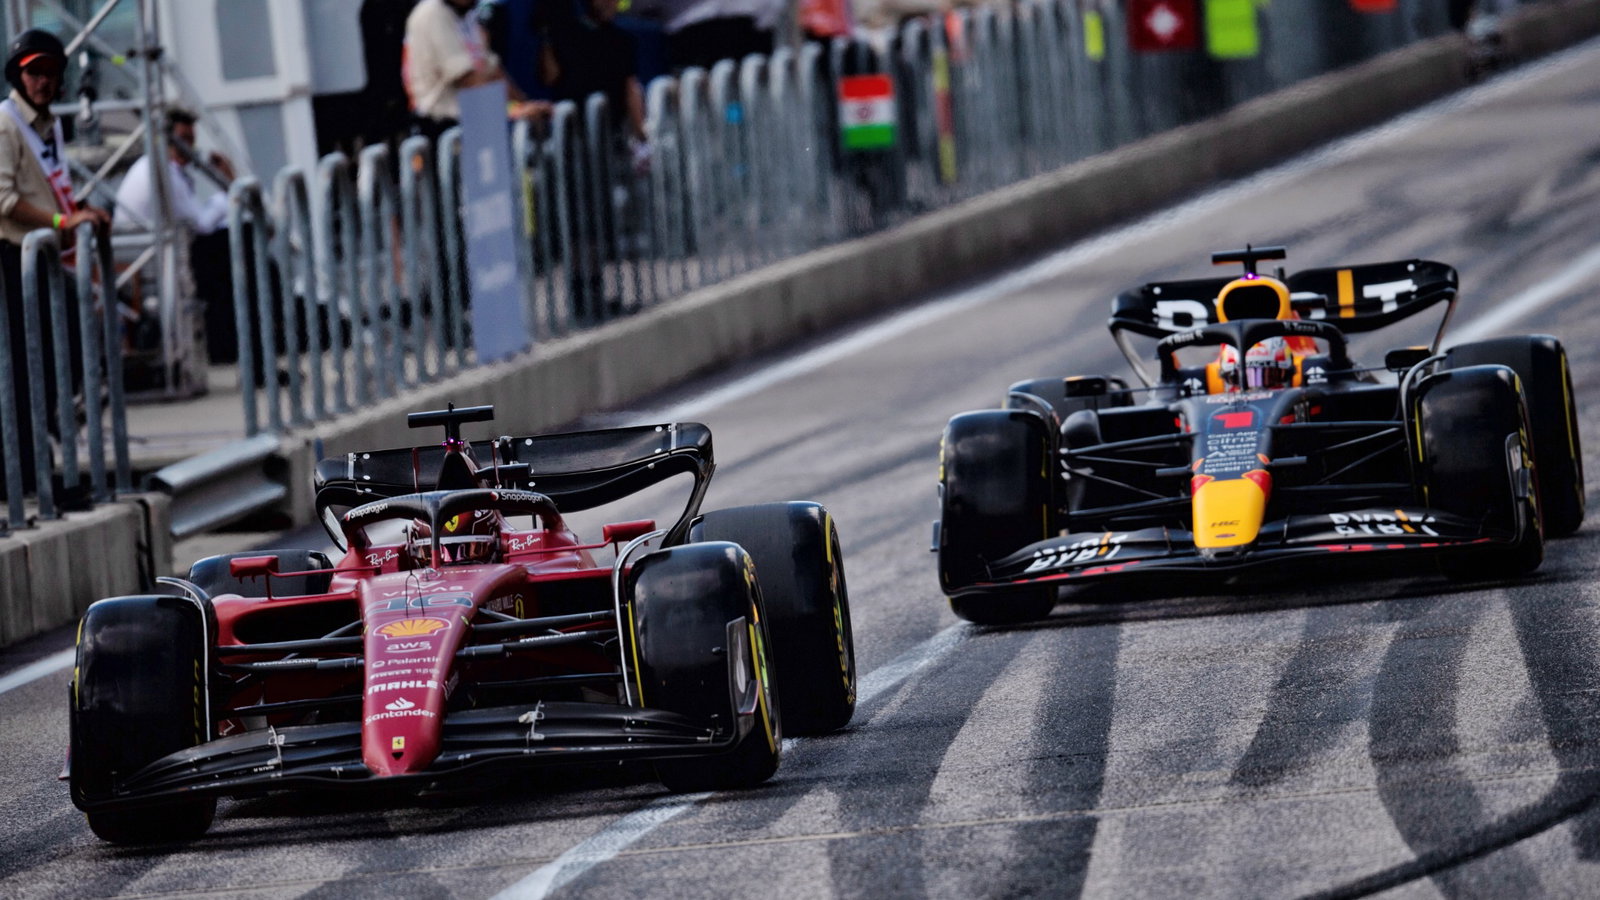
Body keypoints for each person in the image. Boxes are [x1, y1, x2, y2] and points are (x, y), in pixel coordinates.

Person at [0, 29, 109, 495]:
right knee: (29, 372)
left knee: (58, 362)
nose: (42, 81)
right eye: (33, 72)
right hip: (12, 262)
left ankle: (43, 468)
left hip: (39, 261)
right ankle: (27, 477)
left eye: (49, 72)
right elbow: (4, 201)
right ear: (18, 76)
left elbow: (46, 189)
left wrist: (83, 209)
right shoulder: (6, 124)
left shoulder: (48, 125)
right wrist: (66, 221)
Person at [114, 107, 245, 363]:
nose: (189, 147)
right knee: (230, 250)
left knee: (233, 244)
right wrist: (227, 187)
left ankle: (236, 343)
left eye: (191, 140)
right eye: (182, 140)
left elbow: (196, 219)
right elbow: (202, 224)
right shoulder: (162, 172)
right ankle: (231, 346)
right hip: (148, 262)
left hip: (160, 255)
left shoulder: (167, 170)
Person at [403, 0, 546, 139]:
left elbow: (493, 70)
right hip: (441, 126)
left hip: (473, 121)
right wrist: (514, 110)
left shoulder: (467, 15)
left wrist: (524, 103)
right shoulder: (432, 13)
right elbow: (468, 79)